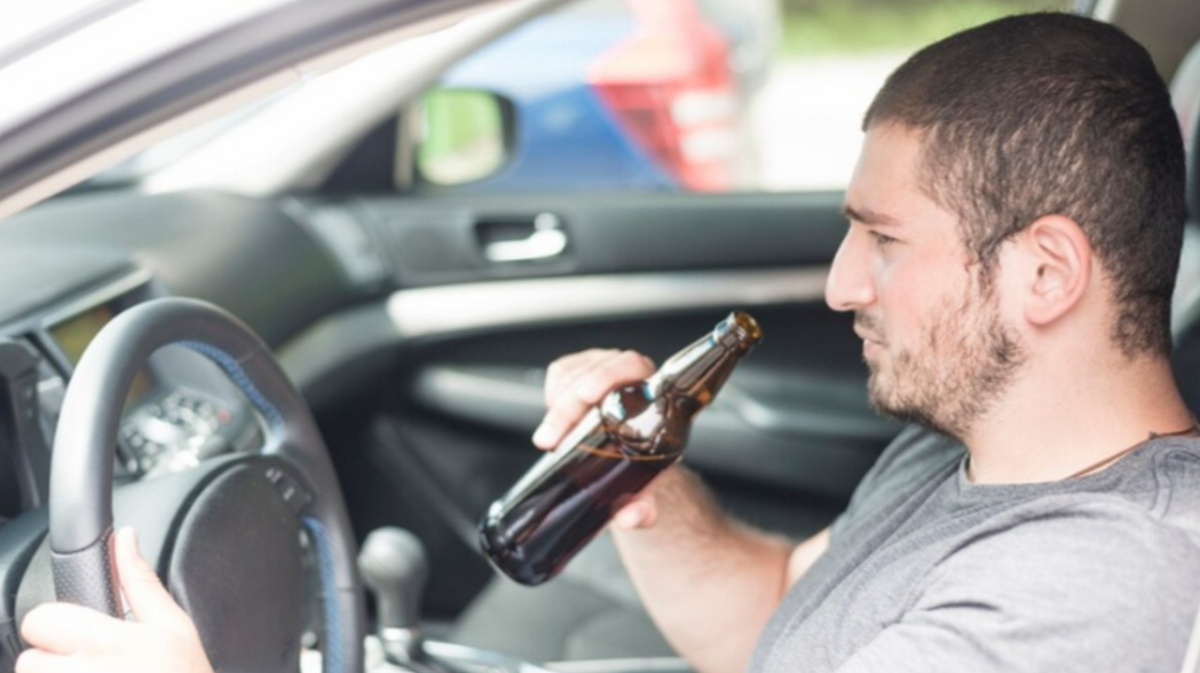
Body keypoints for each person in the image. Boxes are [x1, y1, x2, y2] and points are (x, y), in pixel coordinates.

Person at [16, 10, 1200, 673]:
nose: (842, 284)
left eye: (882, 239)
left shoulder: (1086, 594)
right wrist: (647, 494)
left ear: (1044, 272)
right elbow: (779, 610)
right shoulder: (972, 448)